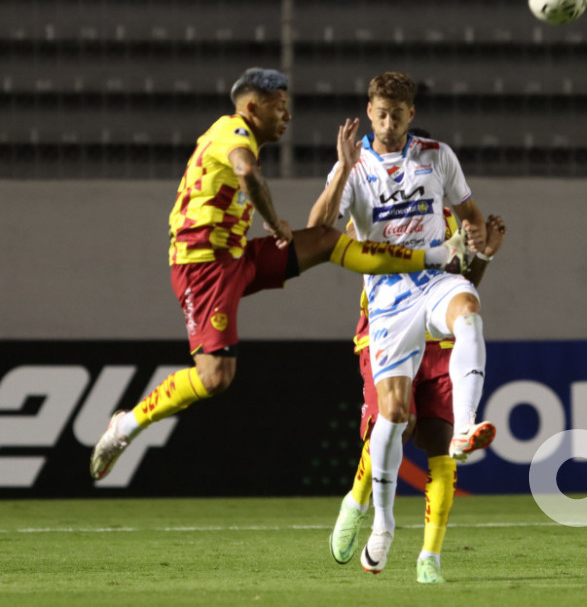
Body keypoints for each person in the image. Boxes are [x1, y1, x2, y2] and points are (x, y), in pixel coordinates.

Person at [89, 68, 468, 481]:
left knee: (324, 240)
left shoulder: (238, 135)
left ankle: (431, 257)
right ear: (253, 107)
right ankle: (126, 426)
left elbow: (314, 220)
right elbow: (246, 172)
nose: (287, 116)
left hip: (236, 256)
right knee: (215, 378)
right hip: (203, 267)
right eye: (280, 106)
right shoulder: (232, 132)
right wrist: (272, 220)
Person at [308, 72, 496, 574]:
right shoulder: (356, 166)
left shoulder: (438, 156)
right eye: (380, 113)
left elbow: (472, 217)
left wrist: (481, 243)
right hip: (387, 304)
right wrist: (345, 169)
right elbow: (317, 230)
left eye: (398, 114)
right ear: (368, 112)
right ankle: (380, 524)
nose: (389, 123)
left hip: (435, 283)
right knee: (391, 418)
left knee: (470, 315)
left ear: (411, 114)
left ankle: (467, 426)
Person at [330, 212, 507, 584]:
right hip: (387, 334)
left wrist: (483, 256)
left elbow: (458, 284)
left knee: (443, 449)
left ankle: (430, 558)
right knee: (395, 422)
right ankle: (357, 503)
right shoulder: (379, 203)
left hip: (438, 344)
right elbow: (354, 244)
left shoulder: (446, 216)